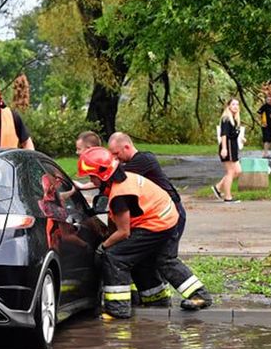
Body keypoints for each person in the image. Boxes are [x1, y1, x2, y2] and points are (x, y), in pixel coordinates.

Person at [79, 147, 213, 319]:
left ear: (103, 175)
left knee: (115, 257)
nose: (91, 180)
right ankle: (166, 298)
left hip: (156, 224)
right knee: (163, 260)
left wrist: (102, 247)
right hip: (168, 218)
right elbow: (118, 222)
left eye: (92, 177)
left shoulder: (120, 194)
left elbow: (123, 232)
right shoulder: (122, 181)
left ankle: (118, 309)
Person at [212, 98, 244, 204]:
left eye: (237, 104)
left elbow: (234, 133)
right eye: (233, 104)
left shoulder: (234, 119)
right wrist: (224, 148)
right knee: (230, 172)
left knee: (238, 171)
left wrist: (241, 138)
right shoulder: (226, 118)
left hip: (234, 147)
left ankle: (218, 187)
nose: (235, 106)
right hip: (228, 147)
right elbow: (224, 135)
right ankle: (228, 197)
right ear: (228, 106)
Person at [256, 95, 271, 159]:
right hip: (265, 125)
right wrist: (261, 122)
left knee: (270, 140)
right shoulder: (264, 106)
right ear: (266, 100)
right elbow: (258, 113)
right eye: (268, 99)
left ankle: (267, 153)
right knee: (266, 139)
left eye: (270, 100)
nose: (269, 101)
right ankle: (265, 154)